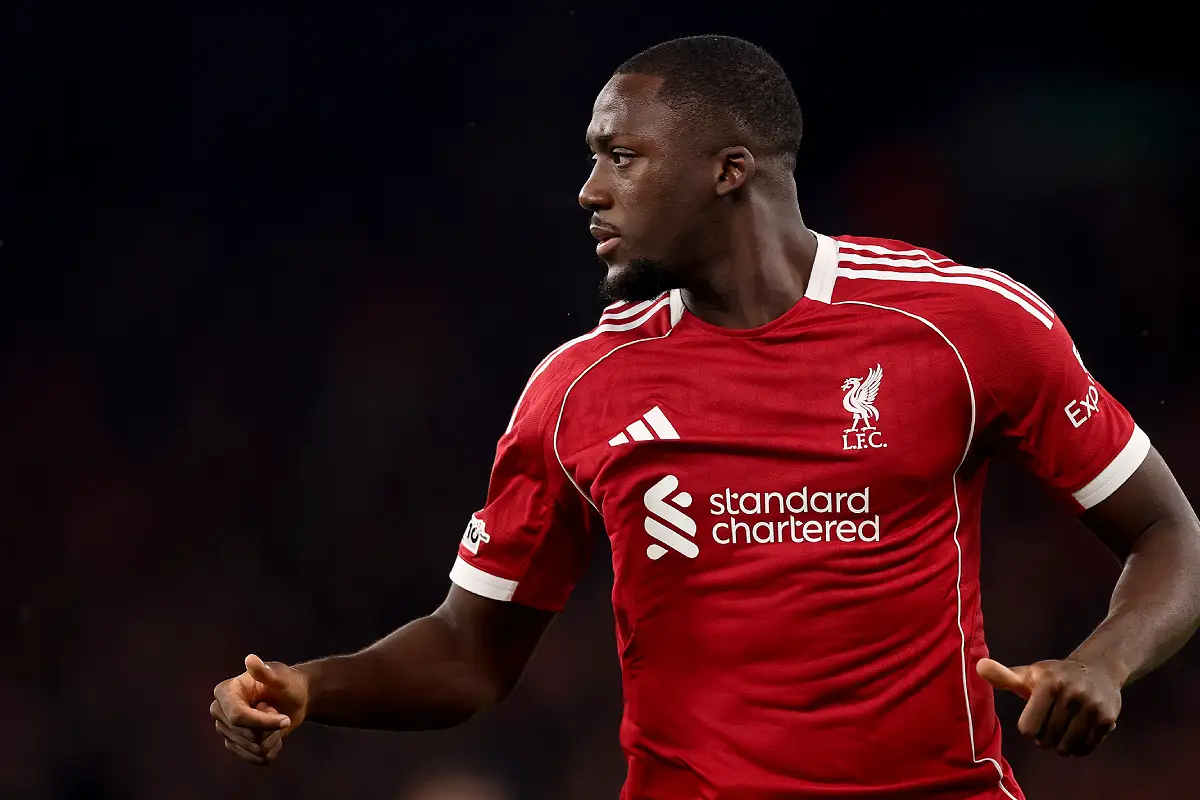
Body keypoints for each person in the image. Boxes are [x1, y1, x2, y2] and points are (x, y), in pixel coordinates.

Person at [211, 35, 1200, 799]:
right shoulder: (579, 386)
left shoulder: (965, 325)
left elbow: (1171, 532)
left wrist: (1104, 662)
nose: (589, 191)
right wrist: (312, 687)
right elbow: (470, 653)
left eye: (622, 156)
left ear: (730, 170)